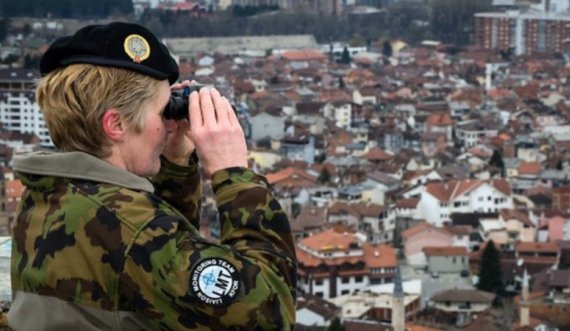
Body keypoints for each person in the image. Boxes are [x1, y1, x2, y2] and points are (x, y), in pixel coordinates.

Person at [8, 22, 297, 330]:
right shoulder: (135, 231)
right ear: (116, 125)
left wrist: (175, 161)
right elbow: (271, 312)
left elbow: (160, 266)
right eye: (163, 112)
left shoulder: (48, 195)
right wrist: (235, 175)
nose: (170, 124)